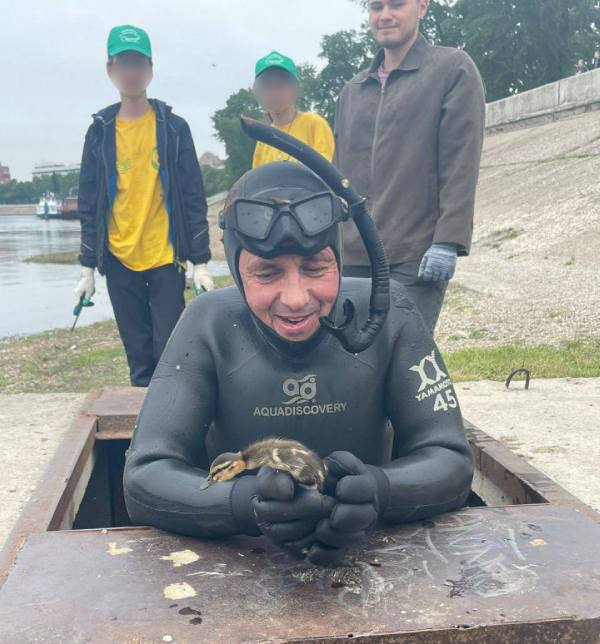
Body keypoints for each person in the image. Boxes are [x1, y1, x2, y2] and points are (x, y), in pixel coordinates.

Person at [123, 125, 473, 567]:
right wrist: (246, 503)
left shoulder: (390, 312)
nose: (295, 298)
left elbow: (450, 458)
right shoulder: (208, 323)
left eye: (315, 267)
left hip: (367, 546)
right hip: (247, 555)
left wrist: (378, 491)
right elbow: (145, 475)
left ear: (339, 260)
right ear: (238, 274)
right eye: (267, 273)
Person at [334, 0, 486, 334]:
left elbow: (461, 162)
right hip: (352, 254)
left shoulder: (451, 69)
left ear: (422, 7)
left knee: (402, 353)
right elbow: (337, 174)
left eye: (397, 4)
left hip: (414, 253)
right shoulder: (351, 91)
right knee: (348, 356)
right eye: (376, 7)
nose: (385, 15)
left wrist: (448, 240)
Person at [74, 25, 213, 387]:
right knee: (137, 354)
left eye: (138, 63)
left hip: (165, 255)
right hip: (119, 256)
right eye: (124, 64)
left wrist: (200, 261)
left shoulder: (174, 128)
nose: (131, 72)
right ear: (111, 69)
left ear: (150, 68)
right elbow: (89, 201)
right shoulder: (100, 131)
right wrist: (87, 267)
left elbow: (192, 195)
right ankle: (143, 417)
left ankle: (174, 414)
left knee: (171, 349)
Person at [252, 51, 335, 168]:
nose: (274, 91)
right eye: (267, 85)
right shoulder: (264, 138)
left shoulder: (315, 124)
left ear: (295, 89)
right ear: (259, 92)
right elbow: (258, 177)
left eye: (281, 84)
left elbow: (327, 170)